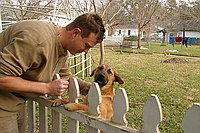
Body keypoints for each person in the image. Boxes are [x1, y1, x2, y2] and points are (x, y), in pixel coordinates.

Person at [0, 12, 105, 133]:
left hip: (16, 104)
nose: (86, 51)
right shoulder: (38, 41)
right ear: (75, 33)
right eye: (87, 45)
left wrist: (94, 90)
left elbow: (66, 77)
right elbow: (2, 77)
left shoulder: (62, 49)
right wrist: (46, 88)